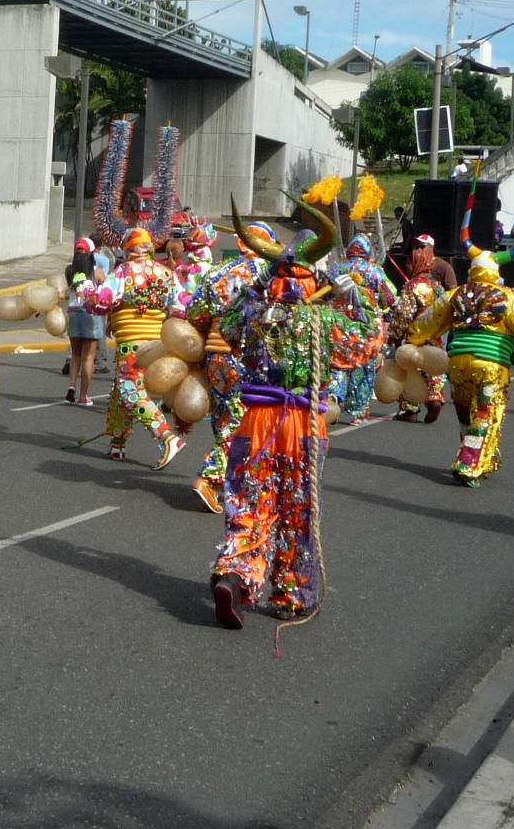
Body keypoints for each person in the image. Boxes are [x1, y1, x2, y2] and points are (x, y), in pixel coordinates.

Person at [197, 202, 344, 628]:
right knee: (297, 510)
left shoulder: (256, 310)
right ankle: (293, 595)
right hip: (303, 425)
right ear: (310, 275)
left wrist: (257, 285)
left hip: (255, 419)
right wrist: (349, 294)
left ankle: (234, 577)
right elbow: (364, 345)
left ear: (275, 274)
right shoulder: (322, 316)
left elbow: (226, 326)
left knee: (249, 504)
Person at [408, 250, 514, 486]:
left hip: (457, 365)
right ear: (495, 273)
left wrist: (411, 344)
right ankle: (468, 464)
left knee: (466, 415)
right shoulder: (508, 298)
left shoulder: (454, 295)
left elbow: (425, 323)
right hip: (490, 366)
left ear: (472, 270)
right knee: (485, 414)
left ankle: (483, 457)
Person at [79, 226, 187, 468]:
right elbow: (181, 308)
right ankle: (118, 443)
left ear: (128, 249)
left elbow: (100, 302)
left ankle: (167, 437)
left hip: (132, 346)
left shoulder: (123, 272)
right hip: (157, 346)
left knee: (130, 391)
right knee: (120, 392)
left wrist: (84, 287)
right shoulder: (166, 274)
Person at [184, 220, 273, 513]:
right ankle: (210, 478)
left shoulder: (216, 273)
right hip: (251, 355)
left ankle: (234, 482)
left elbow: (195, 313)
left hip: (216, 354)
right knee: (242, 420)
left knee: (225, 417)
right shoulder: (272, 276)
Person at [323, 234, 396, 420]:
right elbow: (390, 297)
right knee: (364, 367)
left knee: (337, 365)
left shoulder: (336, 269)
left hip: (338, 327)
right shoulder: (375, 272)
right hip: (367, 330)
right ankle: (358, 411)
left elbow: (322, 292)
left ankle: (333, 400)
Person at [386, 235, 448, 424]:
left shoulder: (413, 287)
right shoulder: (437, 287)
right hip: (435, 336)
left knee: (410, 370)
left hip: (414, 338)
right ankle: (434, 398)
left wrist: (394, 335)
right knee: (432, 368)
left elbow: (404, 315)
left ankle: (410, 408)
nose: (407, 265)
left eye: (409, 262)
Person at [63, 238, 108, 407]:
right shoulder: (97, 273)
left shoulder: (69, 271)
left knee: (75, 355)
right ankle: (83, 396)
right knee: (88, 358)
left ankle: (71, 388)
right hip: (91, 314)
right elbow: (104, 289)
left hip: (73, 312)